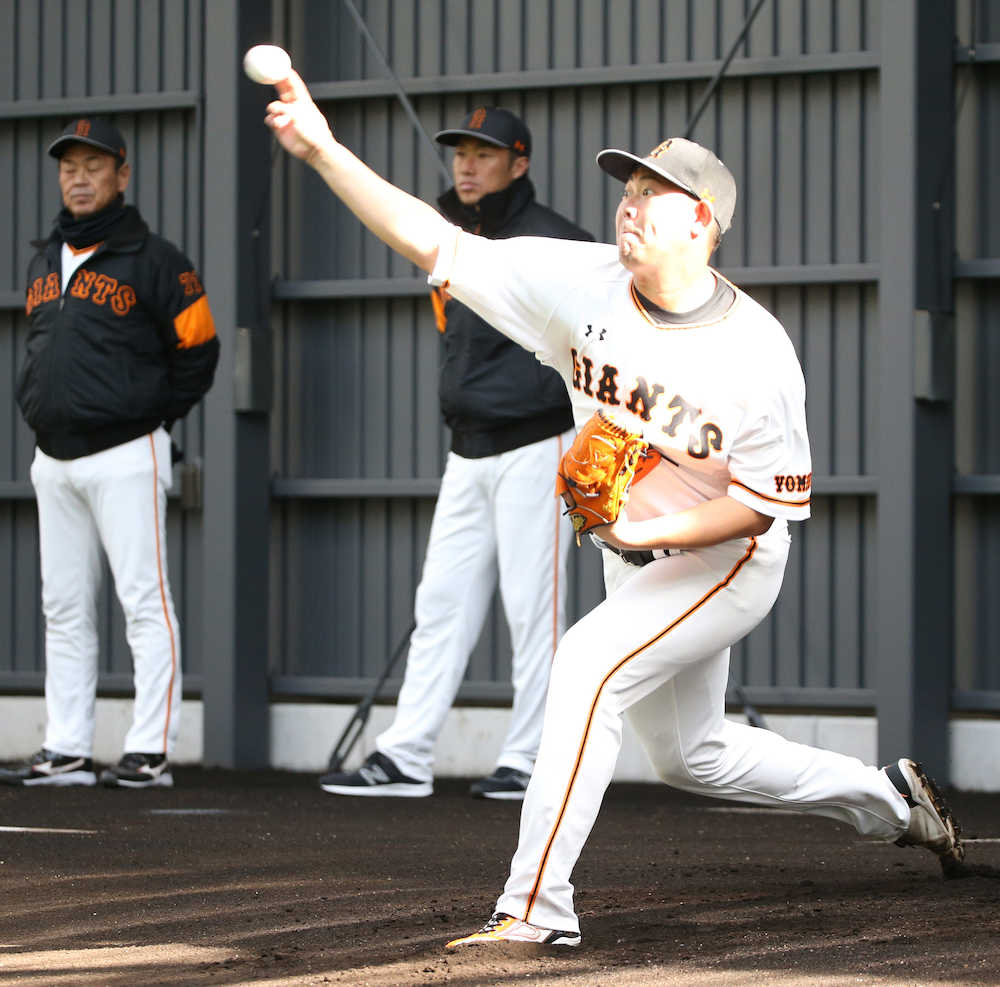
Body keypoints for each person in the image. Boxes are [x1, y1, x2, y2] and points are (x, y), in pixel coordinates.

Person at [262, 71, 963, 946]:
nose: (630, 206)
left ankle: (533, 909)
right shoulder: (576, 282)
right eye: (627, 190)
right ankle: (888, 798)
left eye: (655, 195)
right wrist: (323, 150)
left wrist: (645, 531)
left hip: (723, 558)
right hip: (631, 551)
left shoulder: (756, 354)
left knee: (587, 662)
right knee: (691, 754)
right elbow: (434, 242)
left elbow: (759, 509)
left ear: (703, 224)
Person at [319, 108, 593, 800]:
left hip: (542, 444)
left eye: (485, 154)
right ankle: (406, 754)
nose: (466, 165)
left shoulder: (562, 242)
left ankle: (533, 758)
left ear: (519, 163)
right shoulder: (450, 240)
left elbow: (598, 349)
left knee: (534, 609)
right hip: (467, 448)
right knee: (439, 601)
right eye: (460, 153)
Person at [0, 118, 219, 790]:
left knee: (144, 601)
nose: (78, 177)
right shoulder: (45, 258)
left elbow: (200, 350)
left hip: (128, 452)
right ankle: (65, 746)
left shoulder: (157, 260)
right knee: (62, 605)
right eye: (69, 166)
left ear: (121, 175)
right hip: (54, 457)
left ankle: (149, 749)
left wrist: (149, 415)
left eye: (93, 166)